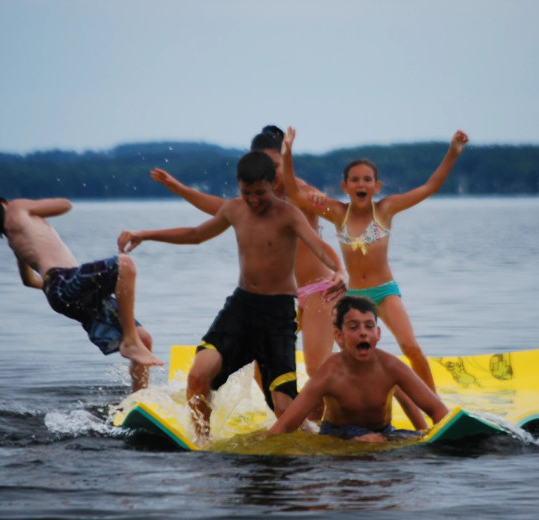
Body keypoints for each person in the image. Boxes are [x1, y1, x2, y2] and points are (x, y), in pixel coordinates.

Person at [117, 151, 347, 445]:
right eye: (247, 193)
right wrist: (146, 233)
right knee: (198, 375)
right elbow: (196, 234)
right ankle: (202, 443)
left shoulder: (289, 213)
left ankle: (316, 434)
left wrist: (339, 269)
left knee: (285, 410)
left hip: (277, 316)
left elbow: (320, 246)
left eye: (261, 193)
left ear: (271, 184)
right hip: (241, 308)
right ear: (239, 186)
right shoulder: (235, 209)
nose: (254, 200)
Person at [282, 128, 469, 393]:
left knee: (411, 347)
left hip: (384, 292)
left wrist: (452, 152)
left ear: (376, 186)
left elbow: (430, 187)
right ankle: (353, 404)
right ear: (344, 187)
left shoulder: (386, 209)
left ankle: (434, 405)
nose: (361, 184)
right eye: (355, 180)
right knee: (349, 358)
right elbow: (294, 193)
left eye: (367, 180)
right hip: (353, 297)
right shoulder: (337, 212)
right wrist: (287, 152)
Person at [150, 126, 337, 385]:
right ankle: (288, 419)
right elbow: (218, 207)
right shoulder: (257, 201)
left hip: (318, 290)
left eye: (275, 165)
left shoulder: (301, 193)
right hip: (281, 300)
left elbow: (335, 210)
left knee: (317, 369)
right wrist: (178, 187)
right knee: (264, 367)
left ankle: (337, 410)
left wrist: (322, 199)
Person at [0, 196, 163, 392]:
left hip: (63, 293)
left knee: (144, 338)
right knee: (124, 264)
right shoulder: (16, 208)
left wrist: (54, 290)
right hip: (63, 281)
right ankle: (130, 342)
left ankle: (139, 398)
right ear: (3, 204)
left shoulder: (15, 239)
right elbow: (65, 204)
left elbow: (28, 281)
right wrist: (31, 206)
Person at [268, 296, 449, 442]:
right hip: (338, 436)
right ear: (339, 336)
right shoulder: (329, 372)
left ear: (377, 334)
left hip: (384, 433)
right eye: (354, 327)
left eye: (369, 326)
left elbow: (436, 408)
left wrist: (433, 438)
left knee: (412, 442)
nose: (363, 332)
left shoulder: (391, 366)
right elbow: (286, 425)